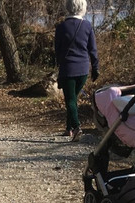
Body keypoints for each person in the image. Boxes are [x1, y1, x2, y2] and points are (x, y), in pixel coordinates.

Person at [54, 0, 99, 141]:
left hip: (68, 68)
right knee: (73, 98)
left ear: (68, 7)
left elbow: (57, 50)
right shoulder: (87, 26)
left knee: (71, 100)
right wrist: (95, 68)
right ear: (83, 8)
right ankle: (69, 129)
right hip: (84, 69)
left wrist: (59, 63)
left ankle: (76, 126)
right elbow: (93, 49)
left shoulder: (61, 27)